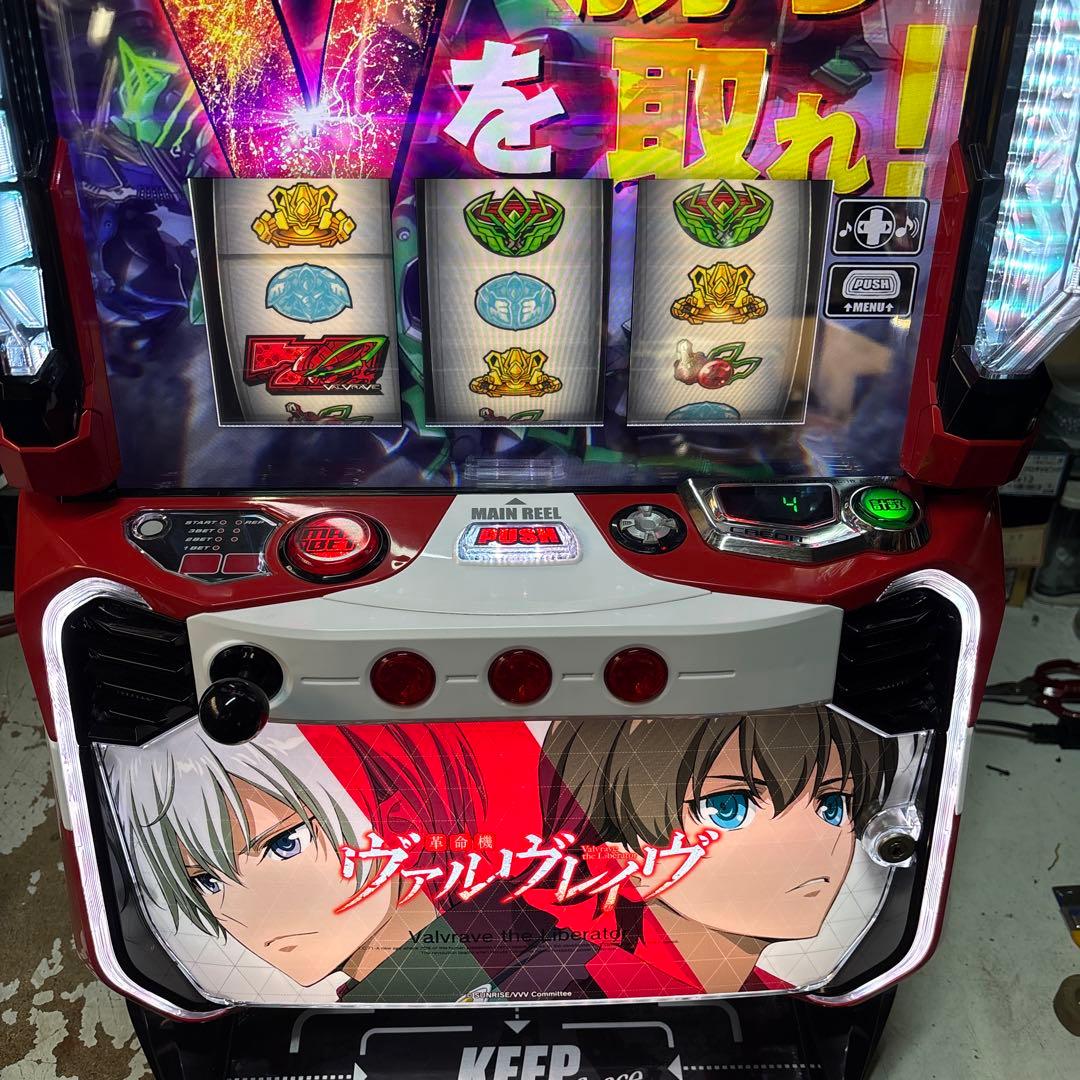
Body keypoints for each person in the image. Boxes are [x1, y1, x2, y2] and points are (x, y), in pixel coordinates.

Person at [102, 720, 508, 1001]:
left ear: (399, 822)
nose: (242, 912)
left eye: (284, 844)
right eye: (206, 881)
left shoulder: (507, 960)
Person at [539, 705, 899, 995]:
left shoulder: (786, 992)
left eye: (832, 805)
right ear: (614, 843)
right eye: (729, 808)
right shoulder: (566, 985)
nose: (813, 841)